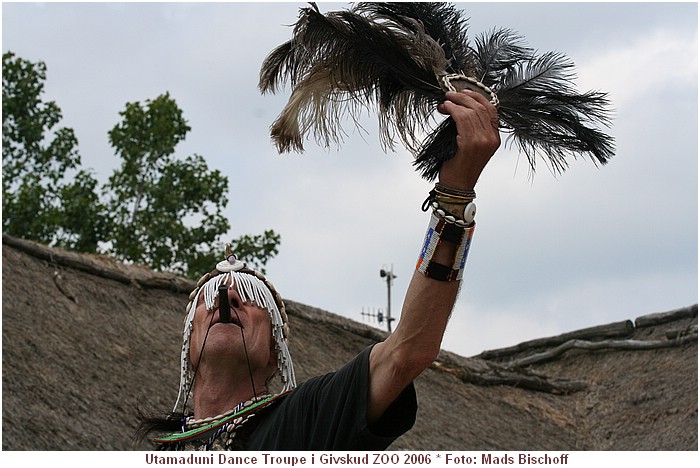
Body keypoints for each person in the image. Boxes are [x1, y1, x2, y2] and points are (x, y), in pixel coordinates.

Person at [138, 88, 500, 450]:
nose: (227, 295)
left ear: (273, 354)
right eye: (209, 297)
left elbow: (408, 351)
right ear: (189, 343)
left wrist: (455, 198)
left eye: (250, 298)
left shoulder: (307, 418)